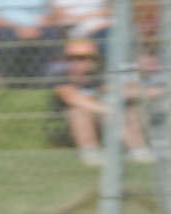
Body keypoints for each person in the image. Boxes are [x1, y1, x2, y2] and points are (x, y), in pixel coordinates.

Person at [50, 39, 153, 167]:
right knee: (79, 112)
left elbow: (123, 89)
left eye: (88, 58)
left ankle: (139, 150)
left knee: (129, 109)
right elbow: (73, 99)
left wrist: (160, 91)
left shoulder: (98, 76)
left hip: (103, 119)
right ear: (67, 60)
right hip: (70, 127)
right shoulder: (61, 76)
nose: (82, 62)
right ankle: (91, 154)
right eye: (75, 58)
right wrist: (110, 110)